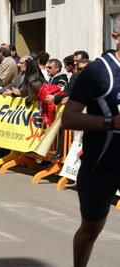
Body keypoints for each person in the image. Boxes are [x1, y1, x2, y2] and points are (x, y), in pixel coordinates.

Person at [62, 15, 120, 267]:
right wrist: (112, 123)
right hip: (101, 165)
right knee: (90, 229)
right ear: (116, 37)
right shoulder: (98, 70)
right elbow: (69, 118)